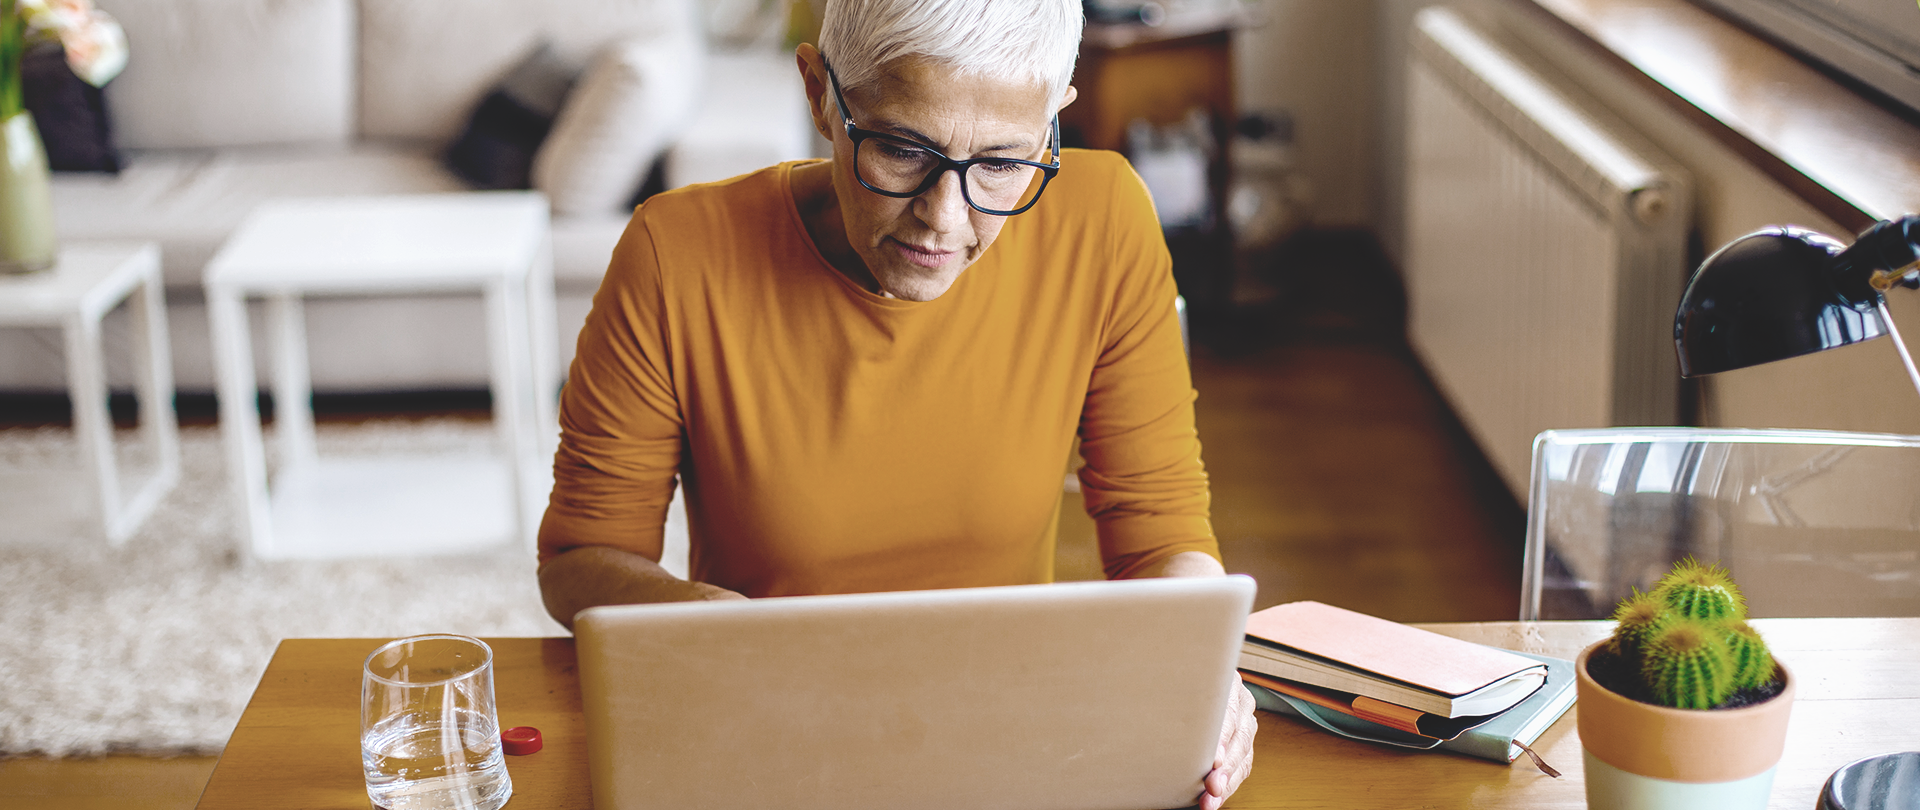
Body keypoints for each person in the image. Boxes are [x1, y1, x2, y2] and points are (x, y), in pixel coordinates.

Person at [533, 0, 1255, 805]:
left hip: (1012, 740)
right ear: (819, 94)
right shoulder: (677, 254)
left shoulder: (1106, 218)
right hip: (766, 732)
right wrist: (710, 625)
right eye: (902, 151)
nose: (945, 220)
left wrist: (1202, 671)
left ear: (1052, 124)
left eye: (1002, 164)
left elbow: (1163, 539)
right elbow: (579, 563)